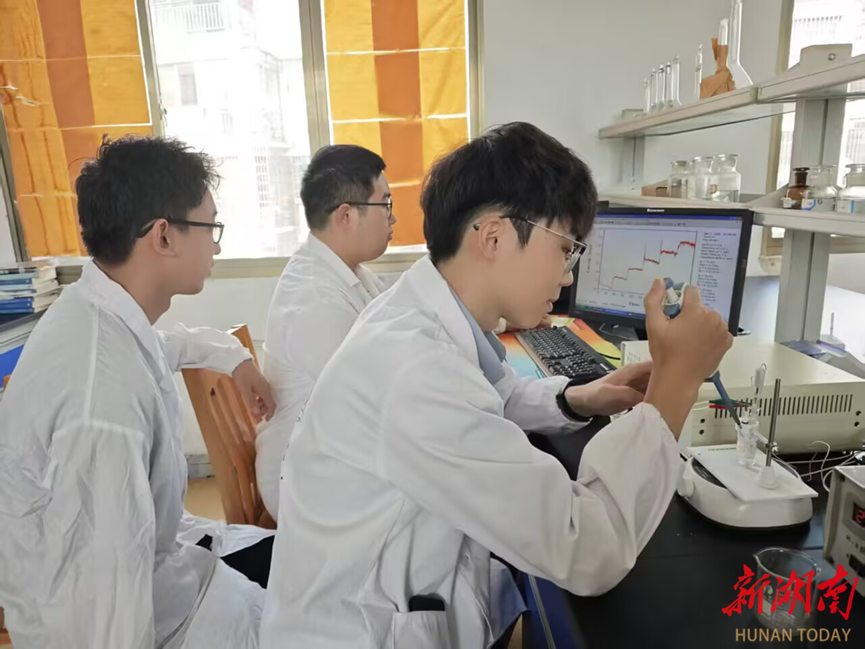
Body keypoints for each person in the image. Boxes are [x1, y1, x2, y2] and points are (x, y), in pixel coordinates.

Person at [259, 122, 733, 649]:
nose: (568, 275)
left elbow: (493, 395)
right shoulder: (414, 368)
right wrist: (677, 385)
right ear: (493, 237)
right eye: (566, 249)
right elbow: (587, 547)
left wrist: (582, 396)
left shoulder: (421, 313)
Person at [0, 136, 277, 649]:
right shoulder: (102, 398)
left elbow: (162, 347)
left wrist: (234, 357)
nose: (217, 247)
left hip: (171, 576)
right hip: (145, 621)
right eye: (211, 228)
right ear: (163, 236)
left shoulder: (99, 316)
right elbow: (108, 613)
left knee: (306, 572)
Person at [256, 144, 395, 518]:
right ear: (346, 215)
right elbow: (376, 402)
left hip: (338, 453)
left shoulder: (346, 272)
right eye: (386, 204)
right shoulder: (314, 298)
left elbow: (407, 312)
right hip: (305, 481)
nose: (394, 218)